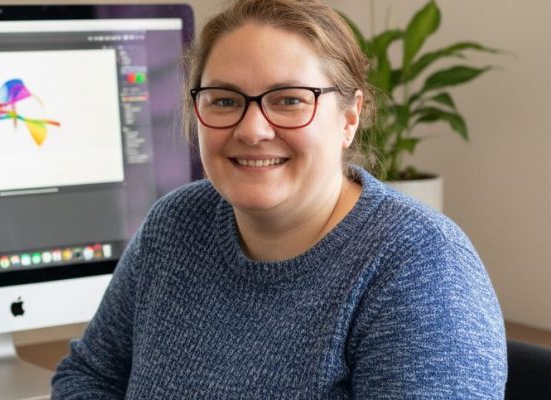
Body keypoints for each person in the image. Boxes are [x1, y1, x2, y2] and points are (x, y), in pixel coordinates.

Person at [51, 0, 507, 397]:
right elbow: (88, 377)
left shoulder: (420, 265)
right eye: (225, 100)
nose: (252, 130)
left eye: (289, 100)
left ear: (349, 117)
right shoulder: (176, 222)